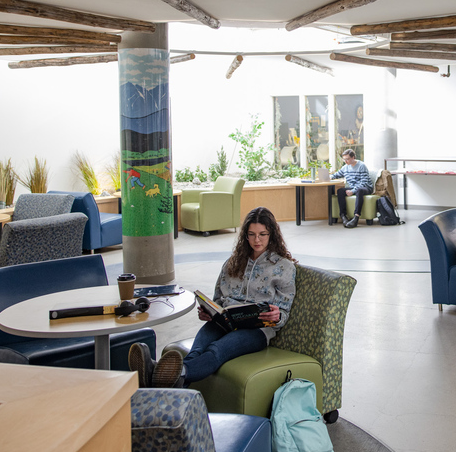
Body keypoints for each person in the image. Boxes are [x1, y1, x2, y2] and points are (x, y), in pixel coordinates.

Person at [129, 206, 297, 388]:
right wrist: (209, 312)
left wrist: (277, 316)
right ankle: (168, 378)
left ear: (271, 234)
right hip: (223, 322)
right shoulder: (233, 262)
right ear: (245, 235)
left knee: (216, 350)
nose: (257, 240)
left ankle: (154, 371)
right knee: (196, 351)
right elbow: (217, 300)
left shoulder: (284, 267)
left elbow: (284, 312)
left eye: (262, 234)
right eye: (251, 234)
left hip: (257, 331)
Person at [331, 149, 373, 228]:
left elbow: (363, 182)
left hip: (365, 187)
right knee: (340, 191)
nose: (346, 161)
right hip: (354, 187)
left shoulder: (361, 166)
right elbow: (336, 175)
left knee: (359, 190)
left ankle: (356, 217)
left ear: (353, 157)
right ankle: (343, 216)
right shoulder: (345, 167)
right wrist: (328, 177)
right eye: (344, 159)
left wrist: (353, 191)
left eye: (347, 159)